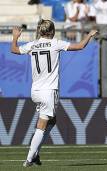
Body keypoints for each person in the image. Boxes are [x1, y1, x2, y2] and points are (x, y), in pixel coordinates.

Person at [11, 19, 98, 167]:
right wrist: (89, 35)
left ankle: (35, 154)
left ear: (40, 31)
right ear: (52, 31)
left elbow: (14, 50)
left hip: (35, 90)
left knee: (51, 121)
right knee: (42, 124)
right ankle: (29, 159)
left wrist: (15, 37)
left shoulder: (33, 45)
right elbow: (80, 46)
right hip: (48, 91)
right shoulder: (55, 43)